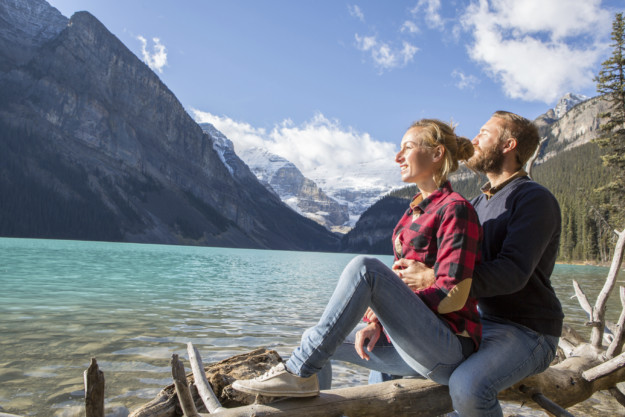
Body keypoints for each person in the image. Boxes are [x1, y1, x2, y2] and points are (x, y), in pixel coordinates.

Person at [231, 119, 482, 397]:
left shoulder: (455, 209)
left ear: (437, 154)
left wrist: (389, 309)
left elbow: (454, 297)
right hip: (411, 343)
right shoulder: (413, 212)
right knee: (313, 340)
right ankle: (308, 402)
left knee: (366, 268)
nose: (398, 157)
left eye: (407, 148)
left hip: (448, 347)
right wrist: (376, 322)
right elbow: (402, 282)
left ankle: (296, 374)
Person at [386, 111, 563, 416]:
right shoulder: (475, 204)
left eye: (485, 132)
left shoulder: (534, 198)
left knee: (469, 386)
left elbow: (513, 272)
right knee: (390, 366)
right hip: (474, 323)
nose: (474, 139)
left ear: (508, 145)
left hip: (527, 330)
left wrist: (435, 278)